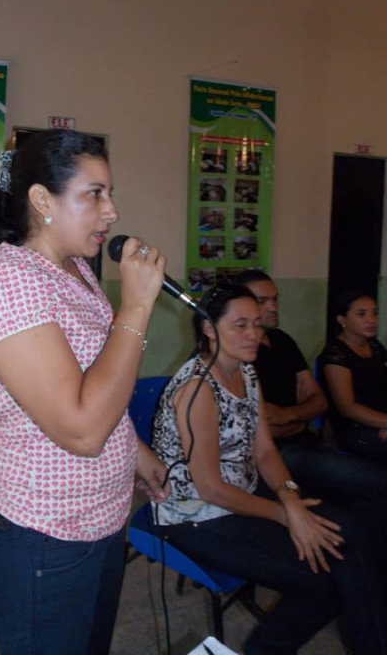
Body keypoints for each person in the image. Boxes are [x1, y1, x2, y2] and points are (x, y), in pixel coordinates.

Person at [0, 129, 170, 655]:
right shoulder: (8, 285)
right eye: (94, 194)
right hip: (45, 538)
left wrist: (135, 451)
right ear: (41, 200)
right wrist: (136, 308)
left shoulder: (75, 270)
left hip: (102, 521)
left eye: (110, 193)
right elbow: (81, 431)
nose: (112, 211)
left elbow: (98, 379)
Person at [151, 282, 387, 655]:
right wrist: (284, 515)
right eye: (240, 325)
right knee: (324, 578)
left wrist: (290, 499)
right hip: (196, 514)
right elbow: (210, 488)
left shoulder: (246, 371)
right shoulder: (198, 390)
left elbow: (264, 451)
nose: (253, 334)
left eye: (257, 324)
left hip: (242, 491)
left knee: (350, 531)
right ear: (209, 328)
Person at [235, 270, 387, 530]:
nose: (273, 307)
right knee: (376, 481)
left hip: (305, 440)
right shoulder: (237, 354)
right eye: (262, 301)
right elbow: (261, 434)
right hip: (279, 454)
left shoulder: (282, 341)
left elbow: (319, 401)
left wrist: (287, 416)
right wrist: (298, 418)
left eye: (275, 299)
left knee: (361, 496)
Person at [319, 291, 387, 467]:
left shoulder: (375, 346)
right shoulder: (335, 354)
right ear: (342, 320)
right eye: (361, 314)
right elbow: (348, 408)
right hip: (355, 429)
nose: (371, 320)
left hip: (380, 420)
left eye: (374, 313)